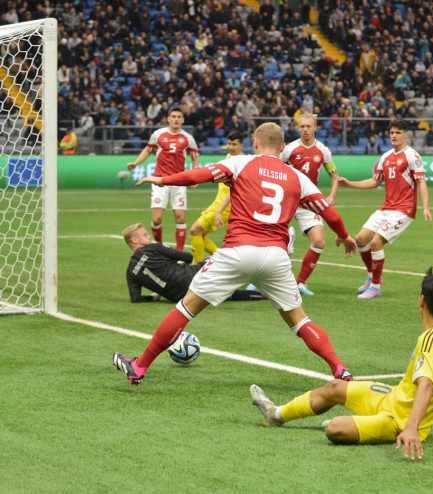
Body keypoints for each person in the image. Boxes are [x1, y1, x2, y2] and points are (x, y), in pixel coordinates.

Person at [113, 123, 358, 386]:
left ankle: (139, 367)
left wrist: (162, 180)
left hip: (236, 251)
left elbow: (197, 176)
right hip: (276, 256)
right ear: (283, 147)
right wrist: (344, 236)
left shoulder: (240, 163)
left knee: (186, 307)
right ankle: (340, 369)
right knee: (300, 320)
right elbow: (330, 214)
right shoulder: (297, 177)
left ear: (254, 143)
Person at [249, 268, 433, 459]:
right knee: (334, 388)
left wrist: (410, 428)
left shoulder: (430, 341)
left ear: (421, 301)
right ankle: (275, 415)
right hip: (394, 396)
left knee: (334, 429)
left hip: (400, 421)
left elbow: (426, 385)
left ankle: (362, 422)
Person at [338, 118, 432, 299]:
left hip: (403, 210)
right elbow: (375, 181)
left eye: (398, 132)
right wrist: (350, 184)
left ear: (406, 134)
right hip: (386, 208)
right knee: (360, 239)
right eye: (392, 133)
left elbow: (421, 182)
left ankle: (375, 287)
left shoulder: (412, 156)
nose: (394, 136)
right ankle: (373, 276)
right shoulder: (386, 157)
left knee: (376, 243)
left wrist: (425, 207)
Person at [123, 223, 266, 303]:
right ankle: (264, 266)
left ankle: (262, 295)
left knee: (228, 294)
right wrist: (176, 262)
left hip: (181, 298)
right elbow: (186, 256)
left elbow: (135, 299)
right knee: (227, 255)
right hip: (193, 277)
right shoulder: (153, 248)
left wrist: (154, 297)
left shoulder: (130, 272)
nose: (148, 236)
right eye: (145, 235)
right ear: (135, 241)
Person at [278, 113, 340, 296]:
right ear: (298, 128)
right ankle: (259, 281)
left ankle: (300, 283)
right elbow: (275, 167)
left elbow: (334, 175)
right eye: (301, 126)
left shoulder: (323, 151)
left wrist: (332, 195)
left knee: (319, 241)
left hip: (308, 202)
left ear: (315, 128)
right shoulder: (289, 149)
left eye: (308, 126)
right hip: (286, 200)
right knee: (270, 239)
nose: (305, 129)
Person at [126, 107, 200, 251]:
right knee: (156, 219)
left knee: (180, 218)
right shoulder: (158, 134)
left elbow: (195, 159)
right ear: (168, 119)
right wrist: (135, 163)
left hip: (179, 182)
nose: (176, 119)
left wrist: (195, 177)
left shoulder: (188, 138)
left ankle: (179, 253)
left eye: (179, 117)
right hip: (159, 181)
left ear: (183, 120)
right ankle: (161, 248)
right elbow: (147, 150)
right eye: (173, 116)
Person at [188, 131, 241, 263]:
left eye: (234, 144)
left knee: (195, 230)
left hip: (225, 206)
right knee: (200, 234)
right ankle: (221, 261)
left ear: (241, 145)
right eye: (229, 144)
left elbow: (235, 188)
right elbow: (215, 175)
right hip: (218, 204)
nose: (231, 147)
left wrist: (220, 211)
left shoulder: (241, 163)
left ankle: (196, 268)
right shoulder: (228, 157)